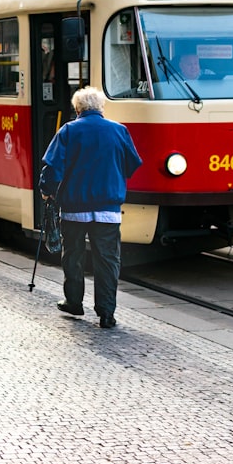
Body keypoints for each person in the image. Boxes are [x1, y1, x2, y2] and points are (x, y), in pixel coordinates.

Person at [39, 86, 142, 329]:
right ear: (101, 108)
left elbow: (51, 168)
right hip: (108, 209)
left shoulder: (68, 131)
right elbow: (133, 163)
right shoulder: (119, 130)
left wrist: (47, 190)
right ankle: (106, 313)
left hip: (75, 207)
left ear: (77, 109)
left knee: (73, 256)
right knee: (107, 260)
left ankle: (74, 302)